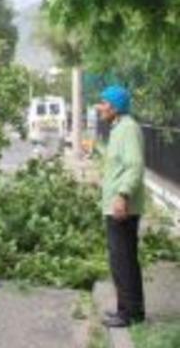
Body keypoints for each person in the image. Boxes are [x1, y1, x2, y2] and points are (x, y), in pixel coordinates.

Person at [97, 85, 146, 328]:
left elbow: (134, 165)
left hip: (122, 207)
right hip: (116, 206)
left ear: (115, 107)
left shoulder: (128, 129)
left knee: (123, 261)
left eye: (104, 102)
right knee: (122, 260)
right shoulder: (119, 128)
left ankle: (128, 314)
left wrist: (122, 195)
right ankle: (128, 310)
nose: (100, 107)